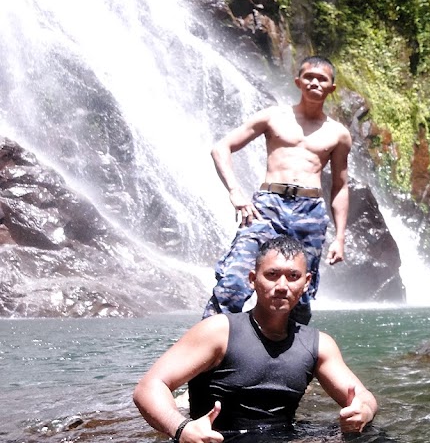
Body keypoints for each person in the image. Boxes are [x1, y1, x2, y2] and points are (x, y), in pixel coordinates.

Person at [134, 236, 378, 442]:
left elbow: (363, 396)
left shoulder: (318, 344)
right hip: (217, 439)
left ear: (306, 283)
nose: (282, 285)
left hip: (284, 437)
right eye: (272, 274)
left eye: (293, 276)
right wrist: (181, 429)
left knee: (375, 436)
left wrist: (363, 411)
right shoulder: (219, 331)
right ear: (253, 279)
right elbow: (149, 387)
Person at [204, 55, 352, 325]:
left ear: (332, 88)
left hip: (310, 212)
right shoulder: (273, 116)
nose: (315, 82)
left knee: (300, 291)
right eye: (309, 77)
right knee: (235, 279)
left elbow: (340, 186)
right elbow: (221, 148)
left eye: (322, 79)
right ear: (298, 82)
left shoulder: (338, 133)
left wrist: (340, 237)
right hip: (267, 207)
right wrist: (235, 191)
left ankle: (291, 348)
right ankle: (212, 342)